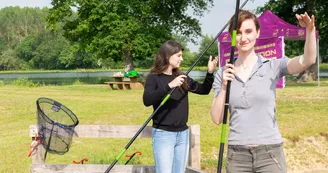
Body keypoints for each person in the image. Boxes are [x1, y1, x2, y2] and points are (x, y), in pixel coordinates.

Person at [211, 10, 316, 173]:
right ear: (232, 37)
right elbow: (217, 118)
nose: (243, 38)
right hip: (237, 156)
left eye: (248, 31)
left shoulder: (273, 66)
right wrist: (225, 86)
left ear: (257, 33)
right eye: (237, 33)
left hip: (270, 154)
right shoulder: (223, 73)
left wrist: (309, 31)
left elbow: (308, 60)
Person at [143, 40, 218, 173]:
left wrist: (210, 73)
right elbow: (147, 100)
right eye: (178, 55)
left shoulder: (182, 77)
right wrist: (169, 86)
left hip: (182, 134)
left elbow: (204, 90)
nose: (181, 59)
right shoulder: (154, 78)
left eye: (181, 55)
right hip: (163, 134)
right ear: (167, 55)